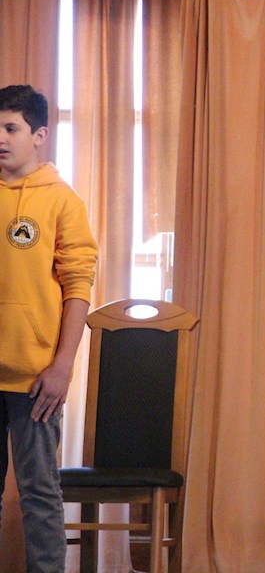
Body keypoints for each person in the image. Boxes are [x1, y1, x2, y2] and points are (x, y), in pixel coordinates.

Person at [0, 84, 98, 571]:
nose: (1, 138)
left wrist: (62, 366)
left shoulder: (63, 201)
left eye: (10, 128)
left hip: (35, 378)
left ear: (38, 135)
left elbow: (78, 285)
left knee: (39, 495)